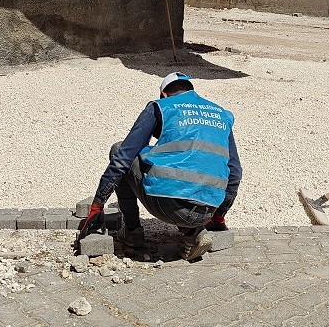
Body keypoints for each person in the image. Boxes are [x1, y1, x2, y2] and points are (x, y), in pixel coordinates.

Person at [77, 72, 242, 261]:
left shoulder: (160, 107)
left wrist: (98, 205)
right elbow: (235, 172)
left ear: (164, 93)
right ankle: (193, 232)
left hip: (167, 207)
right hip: (207, 211)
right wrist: (217, 217)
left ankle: (132, 232)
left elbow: (123, 158)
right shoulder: (221, 114)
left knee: (118, 149)